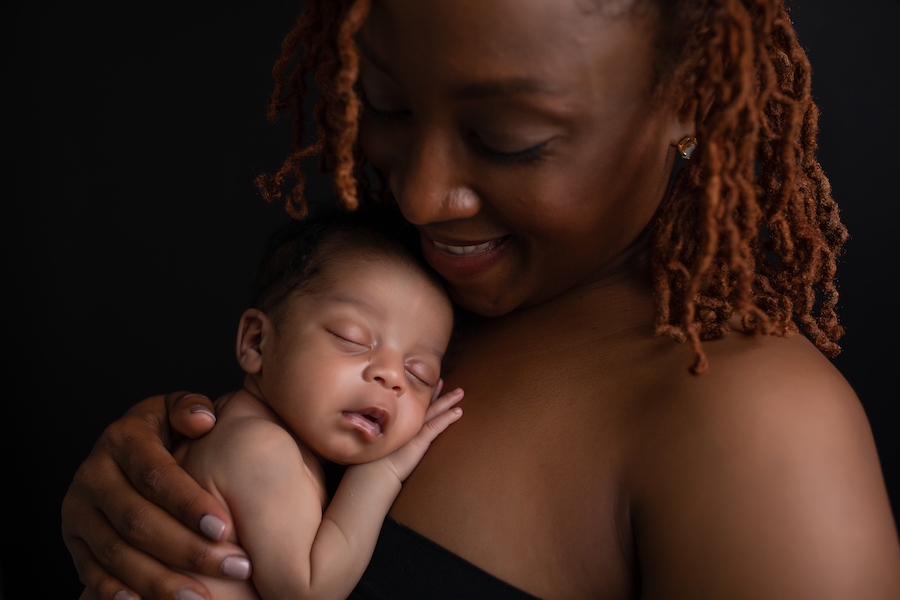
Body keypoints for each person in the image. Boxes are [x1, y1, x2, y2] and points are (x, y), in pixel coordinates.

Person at [62, 1, 900, 599]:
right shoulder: (397, 277)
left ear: (691, 91)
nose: (422, 196)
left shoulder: (761, 430)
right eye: (384, 103)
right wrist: (149, 510)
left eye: (510, 141)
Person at [166, 211, 463, 600]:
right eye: (352, 337)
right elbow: (309, 592)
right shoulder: (259, 449)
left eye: (418, 374)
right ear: (257, 342)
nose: (391, 376)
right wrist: (381, 473)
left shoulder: (238, 426)